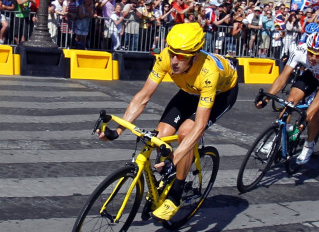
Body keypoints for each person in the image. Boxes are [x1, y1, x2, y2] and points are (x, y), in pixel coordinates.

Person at [97, 23, 238, 221]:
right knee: (160, 136)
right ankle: (168, 177)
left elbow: (198, 127)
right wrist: (118, 130)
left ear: (195, 56)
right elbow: (143, 96)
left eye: (181, 56)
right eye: (172, 53)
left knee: (186, 133)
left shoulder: (209, 72)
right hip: (190, 90)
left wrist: (175, 158)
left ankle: (176, 193)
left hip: (221, 93)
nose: (174, 61)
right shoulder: (165, 57)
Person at [257, 31, 319, 165]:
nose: (313, 58)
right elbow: (283, 77)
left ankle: (308, 145)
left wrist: (306, 117)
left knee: (313, 117)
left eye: (318, 55)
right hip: (312, 74)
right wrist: (267, 98)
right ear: (307, 49)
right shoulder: (300, 50)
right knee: (290, 102)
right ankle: (277, 138)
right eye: (310, 53)